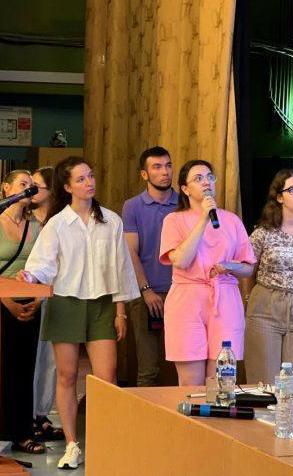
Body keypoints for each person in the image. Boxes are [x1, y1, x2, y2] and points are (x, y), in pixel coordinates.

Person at [18, 156, 139, 470]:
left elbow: (121, 268)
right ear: (68, 186)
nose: (89, 183)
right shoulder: (57, 223)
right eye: (82, 179)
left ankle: (105, 441)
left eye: (91, 176)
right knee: (67, 375)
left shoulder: (111, 220)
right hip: (65, 302)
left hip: (102, 304)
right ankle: (72, 444)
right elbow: (43, 264)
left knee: (106, 378)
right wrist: (30, 276)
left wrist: (121, 311)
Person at [159, 160, 256, 386]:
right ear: (185, 189)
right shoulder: (174, 220)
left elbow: (248, 267)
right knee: (190, 382)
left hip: (225, 298)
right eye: (198, 178)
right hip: (187, 299)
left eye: (210, 177)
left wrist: (230, 266)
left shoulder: (231, 220)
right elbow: (181, 260)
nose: (206, 182)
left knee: (221, 382)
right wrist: (204, 218)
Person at [0, 170, 45, 454]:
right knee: (2, 368)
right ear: (6, 189)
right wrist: (8, 301)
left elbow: (47, 266)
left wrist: (38, 299)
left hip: (31, 302)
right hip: (0, 305)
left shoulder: (37, 227)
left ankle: (22, 432)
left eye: (32, 185)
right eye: (22, 184)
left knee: (25, 368)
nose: (28, 189)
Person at [243, 169, 293, 384]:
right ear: (279, 197)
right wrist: (248, 298)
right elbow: (249, 270)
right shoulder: (262, 233)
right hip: (265, 307)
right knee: (263, 382)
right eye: (292, 190)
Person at [122, 146, 178, 386]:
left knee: (183, 365)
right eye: (157, 167)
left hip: (181, 293)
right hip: (146, 294)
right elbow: (130, 251)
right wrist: (146, 290)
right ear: (144, 174)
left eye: (168, 165)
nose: (165, 172)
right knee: (148, 369)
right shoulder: (132, 206)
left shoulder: (184, 203)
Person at [28, 166, 64, 441]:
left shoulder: (60, 220)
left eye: (36, 186)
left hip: (56, 294)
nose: (30, 190)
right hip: (29, 295)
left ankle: (42, 414)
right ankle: (26, 414)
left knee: (50, 359)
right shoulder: (25, 220)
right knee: (31, 358)